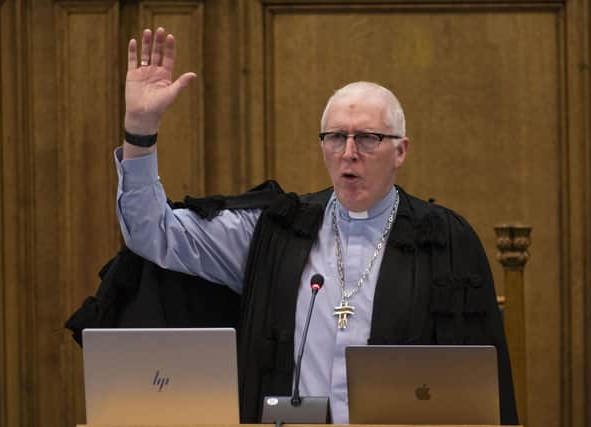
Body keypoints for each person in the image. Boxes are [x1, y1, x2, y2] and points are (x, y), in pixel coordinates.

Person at [116, 27, 518, 424]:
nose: (348, 153)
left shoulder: (445, 240)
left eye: (367, 138)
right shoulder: (278, 230)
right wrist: (140, 131)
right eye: (335, 137)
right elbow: (154, 233)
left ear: (400, 151)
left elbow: (481, 389)